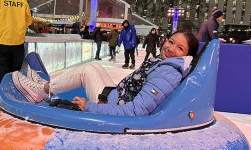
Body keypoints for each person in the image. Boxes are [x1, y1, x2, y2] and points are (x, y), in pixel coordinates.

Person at [11, 30, 199, 116]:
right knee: (94, 67)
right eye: (171, 41)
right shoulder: (164, 64)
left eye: (180, 48)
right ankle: (45, 86)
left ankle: (41, 90)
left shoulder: (168, 72)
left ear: (186, 56)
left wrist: (91, 107)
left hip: (116, 109)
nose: (171, 48)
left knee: (86, 71)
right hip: (118, 96)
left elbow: (136, 111)